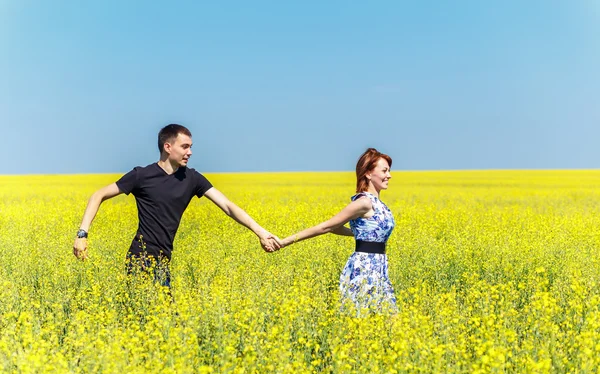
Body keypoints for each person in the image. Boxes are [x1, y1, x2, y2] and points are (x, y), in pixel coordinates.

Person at [73, 124, 280, 286]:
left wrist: (260, 231)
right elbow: (98, 195)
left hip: (164, 261)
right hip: (139, 259)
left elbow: (227, 205)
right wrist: (82, 234)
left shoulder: (192, 179)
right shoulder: (142, 175)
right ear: (167, 146)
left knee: (164, 328)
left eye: (191, 147)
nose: (189, 152)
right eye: (185, 146)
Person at [280, 148, 397, 315]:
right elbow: (327, 226)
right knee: (360, 325)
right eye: (384, 170)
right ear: (368, 174)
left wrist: (358, 234)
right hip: (364, 269)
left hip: (380, 269)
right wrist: (284, 241)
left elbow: (365, 232)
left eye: (389, 171)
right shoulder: (364, 203)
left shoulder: (380, 205)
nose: (389, 175)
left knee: (388, 324)